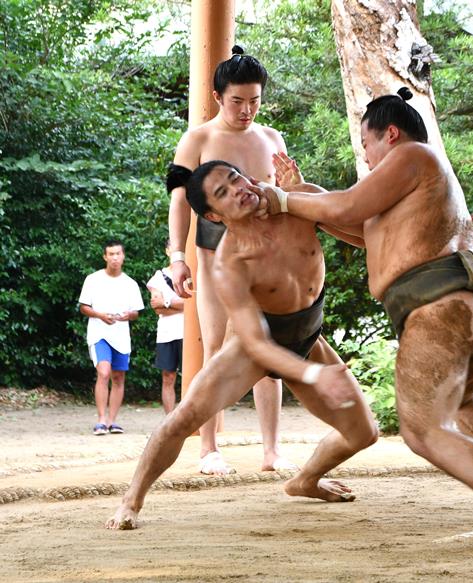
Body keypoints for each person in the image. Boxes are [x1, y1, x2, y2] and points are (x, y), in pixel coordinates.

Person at [259, 88, 473, 547]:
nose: (368, 158)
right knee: (466, 404)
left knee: (421, 429)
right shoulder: (420, 176)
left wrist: (281, 200)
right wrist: (299, 195)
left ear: (389, 134)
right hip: (468, 304)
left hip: (438, 307)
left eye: (367, 146)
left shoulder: (412, 154)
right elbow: (358, 228)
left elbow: (348, 206)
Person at [105, 161, 378, 531]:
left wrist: (302, 199)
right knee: (183, 419)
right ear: (215, 216)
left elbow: (367, 236)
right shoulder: (230, 263)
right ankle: (131, 502)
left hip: (306, 337)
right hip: (251, 348)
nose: (238, 189)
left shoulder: (298, 201)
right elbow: (255, 341)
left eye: (236, 178)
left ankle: (305, 481)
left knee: (364, 433)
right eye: (223, 192)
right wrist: (313, 374)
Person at [166, 45, 295, 474]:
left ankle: (272, 449)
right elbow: (180, 202)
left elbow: (290, 195)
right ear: (219, 96)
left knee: (270, 347)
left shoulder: (272, 138)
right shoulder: (198, 138)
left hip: (268, 254)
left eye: (255, 101)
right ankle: (208, 447)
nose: (247, 110)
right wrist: (176, 257)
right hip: (215, 255)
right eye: (238, 101)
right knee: (216, 346)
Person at [78, 239, 144, 435]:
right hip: (99, 334)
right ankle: (101, 419)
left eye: (118, 254)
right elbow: (84, 307)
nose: (115, 258)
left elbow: (136, 312)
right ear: (105, 256)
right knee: (104, 372)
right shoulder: (93, 279)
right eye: (111, 254)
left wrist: (126, 316)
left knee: (118, 376)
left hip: (121, 336)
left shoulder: (130, 284)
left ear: (123, 256)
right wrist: (101, 315)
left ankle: (112, 421)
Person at [146, 238, 184, 414]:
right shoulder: (157, 278)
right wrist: (178, 304)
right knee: (168, 377)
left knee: (192, 377)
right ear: (167, 251)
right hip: (166, 333)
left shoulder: (191, 275)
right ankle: (169, 418)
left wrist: (167, 301)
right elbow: (157, 307)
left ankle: (188, 416)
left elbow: (192, 305)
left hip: (188, 333)